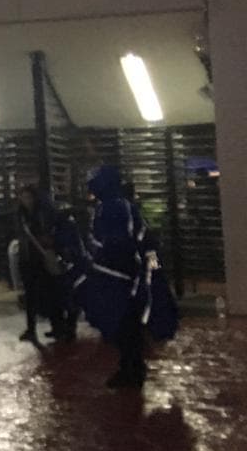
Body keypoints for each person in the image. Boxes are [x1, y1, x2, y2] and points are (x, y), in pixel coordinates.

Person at [73, 167, 179, 389]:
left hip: (125, 277)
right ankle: (129, 367)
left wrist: (148, 275)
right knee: (122, 325)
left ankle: (133, 369)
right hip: (121, 275)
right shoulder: (112, 207)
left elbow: (127, 244)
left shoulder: (118, 207)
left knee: (126, 324)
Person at [15, 185, 71, 344]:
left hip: (42, 260)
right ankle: (31, 329)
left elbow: (56, 229)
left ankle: (58, 327)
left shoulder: (44, 214)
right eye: (23, 197)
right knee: (31, 296)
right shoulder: (22, 214)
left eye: (29, 197)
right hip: (28, 260)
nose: (26, 201)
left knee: (50, 294)